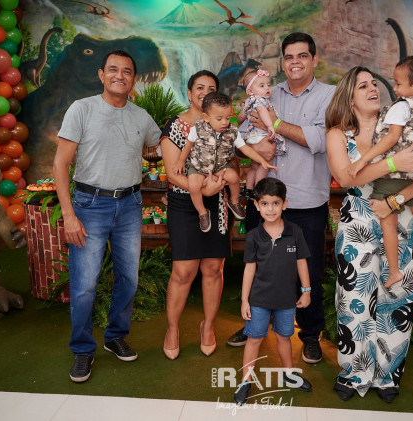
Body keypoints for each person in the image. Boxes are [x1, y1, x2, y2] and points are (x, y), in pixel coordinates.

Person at [325, 66, 413, 403]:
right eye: (363, 86)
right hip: (357, 222)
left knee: (397, 299)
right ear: (349, 97)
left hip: (404, 220)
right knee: (353, 301)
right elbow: (347, 178)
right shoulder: (337, 134)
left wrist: (394, 201)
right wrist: (394, 163)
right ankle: (354, 373)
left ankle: (387, 376)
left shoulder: (403, 121)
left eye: (374, 83)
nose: (373, 88)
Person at [53, 50, 162, 383]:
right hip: (90, 205)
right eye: (113, 69)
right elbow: (60, 164)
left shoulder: (141, 116)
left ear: (133, 79)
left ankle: (115, 336)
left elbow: (161, 145)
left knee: (128, 278)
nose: (120, 75)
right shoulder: (82, 109)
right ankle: (82, 350)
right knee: (84, 285)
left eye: (127, 71)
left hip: (130, 205)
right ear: (101, 75)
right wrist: (69, 215)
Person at [227, 32, 336, 366]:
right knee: (259, 268)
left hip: (307, 202)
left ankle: (310, 335)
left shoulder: (330, 96)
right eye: (289, 57)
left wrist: (275, 123)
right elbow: (239, 140)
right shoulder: (267, 92)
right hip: (265, 202)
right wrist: (255, 147)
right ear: (283, 62)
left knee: (309, 272)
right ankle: (254, 325)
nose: (295, 62)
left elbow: (318, 140)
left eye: (302, 56)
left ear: (314, 59)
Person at [347, 54, 413, 288]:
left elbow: (391, 139)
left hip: (397, 174)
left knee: (387, 221)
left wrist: (363, 160)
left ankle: (394, 271)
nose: (394, 89)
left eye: (398, 83)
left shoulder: (401, 107)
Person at [161, 71, 230, 360]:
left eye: (211, 88)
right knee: (183, 271)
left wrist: (219, 184)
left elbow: (231, 163)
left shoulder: (224, 124)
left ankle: (208, 326)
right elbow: (172, 173)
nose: (205, 92)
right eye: (199, 87)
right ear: (189, 93)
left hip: (218, 203)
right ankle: (172, 329)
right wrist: (203, 187)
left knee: (213, 269)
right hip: (183, 204)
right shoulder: (175, 126)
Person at [234, 178, 313, 405]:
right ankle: (245, 381)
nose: (271, 209)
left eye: (276, 203)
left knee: (284, 337)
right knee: (254, 339)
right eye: (265, 203)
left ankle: (289, 374)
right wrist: (244, 300)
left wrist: (306, 291)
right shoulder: (254, 236)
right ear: (257, 205)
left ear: (284, 204)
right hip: (258, 300)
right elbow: (249, 269)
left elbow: (301, 262)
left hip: (286, 300)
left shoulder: (295, 232)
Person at [173, 91, 277, 232]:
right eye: (219, 118)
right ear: (206, 117)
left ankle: (234, 202)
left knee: (233, 177)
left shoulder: (232, 131)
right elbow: (188, 146)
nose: (224, 122)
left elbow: (245, 148)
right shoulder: (197, 129)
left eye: (227, 118)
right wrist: (180, 161)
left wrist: (262, 160)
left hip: (221, 165)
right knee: (193, 185)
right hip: (199, 166)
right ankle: (202, 212)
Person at [240, 68, 286, 192]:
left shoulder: (249, 101)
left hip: (252, 136)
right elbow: (262, 111)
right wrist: (270, 125)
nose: (267, 88)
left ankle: (248, 189)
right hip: (261, 136)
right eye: (262, 86)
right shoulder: (260, 100)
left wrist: (240, 121)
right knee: (265, 164)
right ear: (250, 91)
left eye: (268, 85)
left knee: (254, 166)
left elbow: (241, 117)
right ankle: (258, 188)